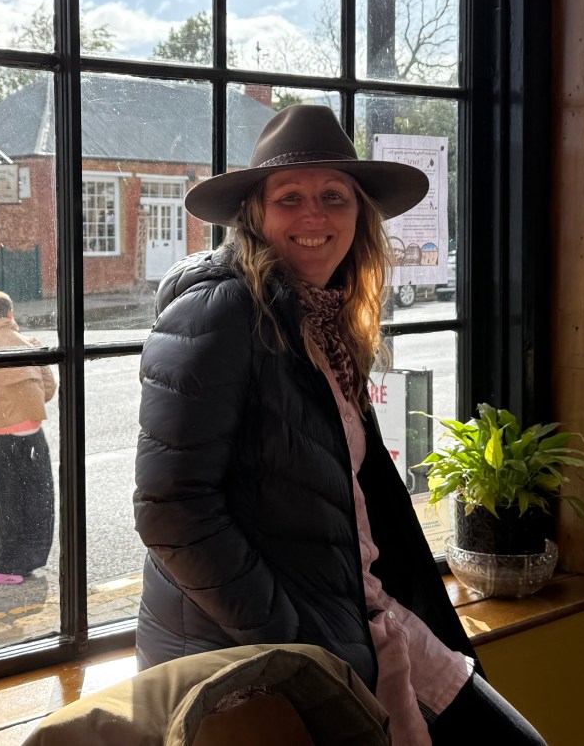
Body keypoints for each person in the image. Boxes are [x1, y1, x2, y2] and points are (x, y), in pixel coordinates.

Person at [133, 105, 547, 746]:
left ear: (359, 217)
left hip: (357, 612)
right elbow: (171, 510)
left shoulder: (320, 324)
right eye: (289, 198)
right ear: (254, 216)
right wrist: (295, 642)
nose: (314, 216)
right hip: (250, 655)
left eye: (334, 197)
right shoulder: (219, 313)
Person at [0, 290, 56, 585]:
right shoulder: (31, 344)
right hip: (33, 435)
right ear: (11, 314)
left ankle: (6, 568)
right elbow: (49, 387)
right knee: (37, 499)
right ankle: (31, 560)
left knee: (7, 502)